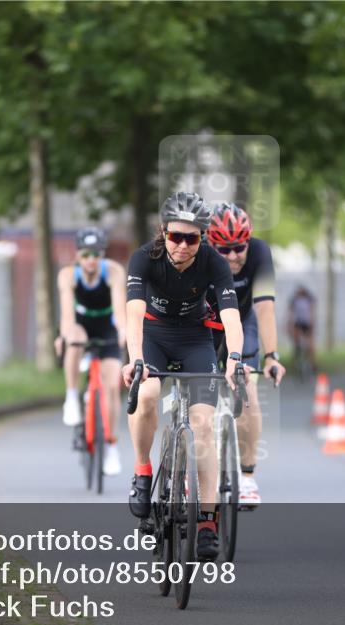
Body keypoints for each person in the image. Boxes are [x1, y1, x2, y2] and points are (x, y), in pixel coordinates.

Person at [121, 192, 247, 561]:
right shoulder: (145, 258)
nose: (182, 245)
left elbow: (231, 317)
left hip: (195, 339)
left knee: (204, 425)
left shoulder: (212, 262)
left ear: (202, 238)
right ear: (163, 232)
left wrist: (235, 358)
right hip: (154, 336)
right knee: (146, 395)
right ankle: (143, 471)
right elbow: (133, 314)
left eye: (191, 238)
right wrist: (136, 359)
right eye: (176, 236)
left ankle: (206, 520)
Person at [204, 203, 286, 508]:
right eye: (224, 250)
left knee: (247, 390)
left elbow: (265, 307)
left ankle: (247, 476)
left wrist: (271, 356)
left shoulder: (260, 253)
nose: (234, 256)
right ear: (211, 245)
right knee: (198, 392)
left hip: (243, 319)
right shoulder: (199, 255)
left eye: (239, 247)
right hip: (205, 323)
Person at [55, 227, 126, 476]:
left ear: (102, 255)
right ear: (78, 255)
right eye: (86, 254)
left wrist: (123, 335)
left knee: (112, 386)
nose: (91, 260)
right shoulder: (68, 275)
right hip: (81, 326)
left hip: (106, 326)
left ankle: (111, 444)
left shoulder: (114, 272)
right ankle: (72, 396)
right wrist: (64, 336)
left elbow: (119, 312)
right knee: (74, 337)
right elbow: (66, 316)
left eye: (96, 254)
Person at [288, 285, 317, 370]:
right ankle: (295, 362)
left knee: (310, 344)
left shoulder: (309, 300)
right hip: (298, 323)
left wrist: (312, 324)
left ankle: (313, 364)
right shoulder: (295, 300)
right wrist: (289, 325)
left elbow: (312, 312)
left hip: (307, 323)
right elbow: (291, 313)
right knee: (296, 343)